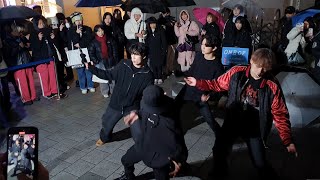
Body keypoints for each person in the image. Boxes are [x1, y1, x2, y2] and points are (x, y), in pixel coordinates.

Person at [185, 48, 297, 179]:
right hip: (233, 120)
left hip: (254, 127)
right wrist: (198, 83)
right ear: (251, 61)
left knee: (259, 162)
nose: (260, 72)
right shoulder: (237, 72)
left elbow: (280, 114)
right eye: (258, 67)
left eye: (265, 69)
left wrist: (287, 140)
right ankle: (219, 174)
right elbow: (217, 84)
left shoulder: (271, 85)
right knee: (219, 150)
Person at [85, 42, 153, 146]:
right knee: (106, 124)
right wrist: (91, 68)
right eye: (132, 54)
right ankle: (104, 138)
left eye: (137, 54)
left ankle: (142, 148)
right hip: (116, 102)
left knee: (138, 132)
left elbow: (147, 96)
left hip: (132, 106)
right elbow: (108, 74)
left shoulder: (148, 75)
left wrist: (140, 111)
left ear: (144, 56)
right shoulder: (123, 64)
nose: (133, 57)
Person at [115, 85, 188, 180]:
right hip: (143, 145)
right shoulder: (146, 101)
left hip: (159, 155)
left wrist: (177, 160)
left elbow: (178, 142)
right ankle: (129, 177)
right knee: (126, 160)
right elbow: (143, 110)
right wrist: (136, 113)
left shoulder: (169, 121)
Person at [176, 34, 224, 136]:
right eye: (202, 44)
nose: (202, 47)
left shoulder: (217, 66)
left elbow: (218, 86)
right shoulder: (198, 56)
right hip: (189, 91)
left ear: (214, 47)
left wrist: (209, 96)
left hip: (201, 95)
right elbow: (192, 70)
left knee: (209, 118)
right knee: (176, 109)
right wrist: (185, 75)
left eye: (206, 45)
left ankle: (221, 136)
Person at [30, 16, 67, 99]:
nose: (42, 25)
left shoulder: (47, 31)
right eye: (39, 23)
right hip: (41, 60)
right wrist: (39, 39)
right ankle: (47, 93)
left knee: (53, 75)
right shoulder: (33, 34)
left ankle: (54, 91)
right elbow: (35, 48)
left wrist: (53, 38)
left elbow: (55, 44)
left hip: (51, 57)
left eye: (42, 23)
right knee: (44, 77)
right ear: (35, 25)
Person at [3, 23, 37, 105]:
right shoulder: (7, 40)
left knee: (30, 81)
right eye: (18, 29)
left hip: (27, 62)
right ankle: (26, 99)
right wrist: (19, 47)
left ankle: (33, 96)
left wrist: (27, 45)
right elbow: (9, 54)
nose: (20, 31)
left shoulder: (21, 37)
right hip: (17, 65)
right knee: (22, 83)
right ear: (13, 30)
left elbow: (27, 47)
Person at [68, 12, 95, 94]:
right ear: (73, 22)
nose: (79, 22)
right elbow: (73, 42)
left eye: (80, 20)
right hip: (78, 54)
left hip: (87, 52)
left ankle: (90, 85)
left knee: (89, 70)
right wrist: (77, 33)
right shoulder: (71, 31)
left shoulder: (88, 29)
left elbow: (89, 40)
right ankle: (83, 87)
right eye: (77, 21)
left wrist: (80, 43)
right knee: (80, 71)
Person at [89, 25, 118, 98]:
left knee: (112, 76)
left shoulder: (109, 39)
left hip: (110, 60)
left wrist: (114, 58)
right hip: (101, 62)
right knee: (102, 77)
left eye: (102, 30)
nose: (101, 32)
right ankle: (105, 91)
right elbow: (91, 53)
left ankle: (113, 90)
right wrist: (96, 61)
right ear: (95, 32)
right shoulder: (94, 42)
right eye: (98, 31)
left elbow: (114, 49)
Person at [145, 17, 167, 84]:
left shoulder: (160, 30)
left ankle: (159, 77)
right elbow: (146, 43)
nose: (153, 25)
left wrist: (164, 50)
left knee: (159, 65)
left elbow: (164, 42)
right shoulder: (148, 32)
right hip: (151, 51)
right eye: (151, 24)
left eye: (154, 23)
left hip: (159, 50)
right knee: (153, 65)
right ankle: (155, 77)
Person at [158, 7, 178, 77]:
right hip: (164, 42)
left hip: (172, 41)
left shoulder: (172, 20)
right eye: (164, 13)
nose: (166, 14)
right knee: (165, 57)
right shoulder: (159, 21)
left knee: (172, 57)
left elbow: (175, 30)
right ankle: (166, 71)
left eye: (167, 13)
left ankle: (170, 69)